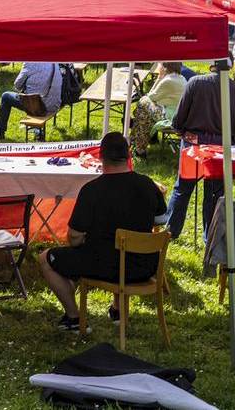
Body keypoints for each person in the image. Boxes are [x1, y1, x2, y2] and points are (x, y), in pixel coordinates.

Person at [38, 132, 166, 332]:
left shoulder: (92, 190)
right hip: (145, 265)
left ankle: (73, 317)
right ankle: (117, 310)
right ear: (129, 155)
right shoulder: (148, 184)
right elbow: (160, 219)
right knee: (121, 246)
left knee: (46, 258)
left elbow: (74, 237)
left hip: (105, 267)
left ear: (100, 156)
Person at [165, 61, 235, 240]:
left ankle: (170, 232)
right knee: (214, 193)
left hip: (194, 145)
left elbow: (178, 120)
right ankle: (210, 237)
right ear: (231, 65)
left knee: (182, 189)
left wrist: (186, 134)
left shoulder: (195, 82)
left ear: (212, 64)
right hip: (221, 148)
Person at [0, 62, 62, 142]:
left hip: (39, 106)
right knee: (33, 95)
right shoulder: (54, 62)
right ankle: (38, 132)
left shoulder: (30, 63)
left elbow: (17, 85)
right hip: (55, 103)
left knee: (6, 96)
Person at [129, 62, 186, 156]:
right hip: (178, 114)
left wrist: (159, 78)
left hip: (170, 117)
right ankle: (138, 147)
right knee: (144, 115)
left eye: (159, 65)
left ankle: (136, 144)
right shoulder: (181, 78)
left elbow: (150, 96)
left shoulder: (167, 80)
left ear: (164, 67)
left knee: (143, 101)